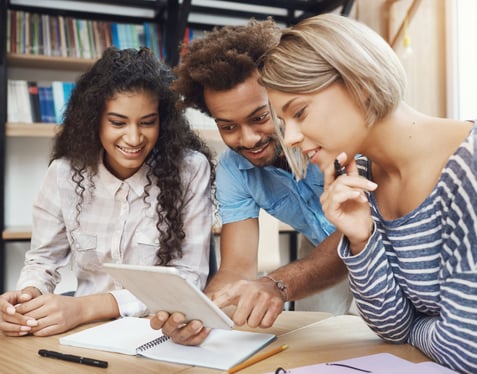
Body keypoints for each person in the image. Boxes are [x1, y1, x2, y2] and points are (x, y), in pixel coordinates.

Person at [259, 13, 477, 373]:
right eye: (285, 125)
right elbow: (391, 328)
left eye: (299, 112)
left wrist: (415, 328)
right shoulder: (362, 178)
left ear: (358, 82)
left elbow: (465, 350)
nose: (292, 138)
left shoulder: (467, 171)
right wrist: (362, 239)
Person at [150, 19, 353, 346]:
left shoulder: (332, 137)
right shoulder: (233, 171)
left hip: (381, 244)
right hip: (318, 247)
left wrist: (276, 283)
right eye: (227, 126)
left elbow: (353, 236)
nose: (248, 139)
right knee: (319, 343)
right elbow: (237, 269)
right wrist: (201, 313)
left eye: (260, 118)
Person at [0, 47, 215, 337]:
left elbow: (189, 277)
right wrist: (26, 301)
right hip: (84, 331)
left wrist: (85, 308)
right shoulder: (64, 174)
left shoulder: (190, 170)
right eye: (118, 122)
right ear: (93, 120)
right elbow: (43, 261)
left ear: (162, 122)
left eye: (148, 122)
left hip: (159, 332)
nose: (134, 138)